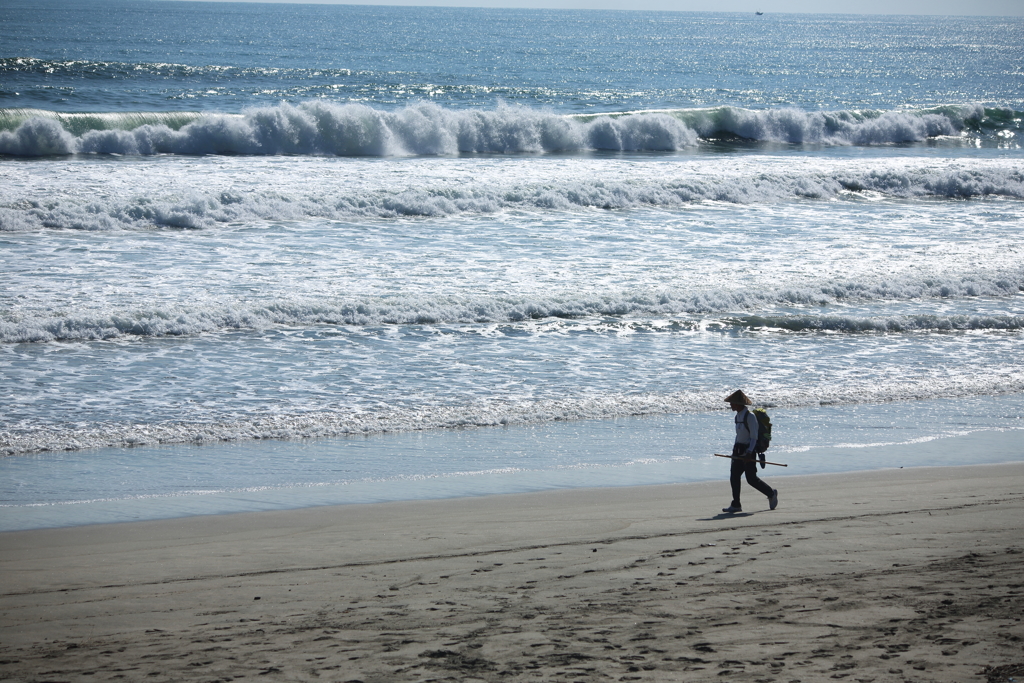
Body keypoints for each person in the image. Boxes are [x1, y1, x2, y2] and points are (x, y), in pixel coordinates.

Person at [721, 390, 778, 513]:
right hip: (738, 451)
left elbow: (754, 437)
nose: (730, 405)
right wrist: (734, 452)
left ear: (738, 404)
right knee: (734, 477)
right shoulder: (737, 417)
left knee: (751, 479)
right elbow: (739, 435)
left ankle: (771, 493)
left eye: (732, 403)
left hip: (748, 452)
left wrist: (749, 452)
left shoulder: (750, 417)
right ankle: (736, 504)